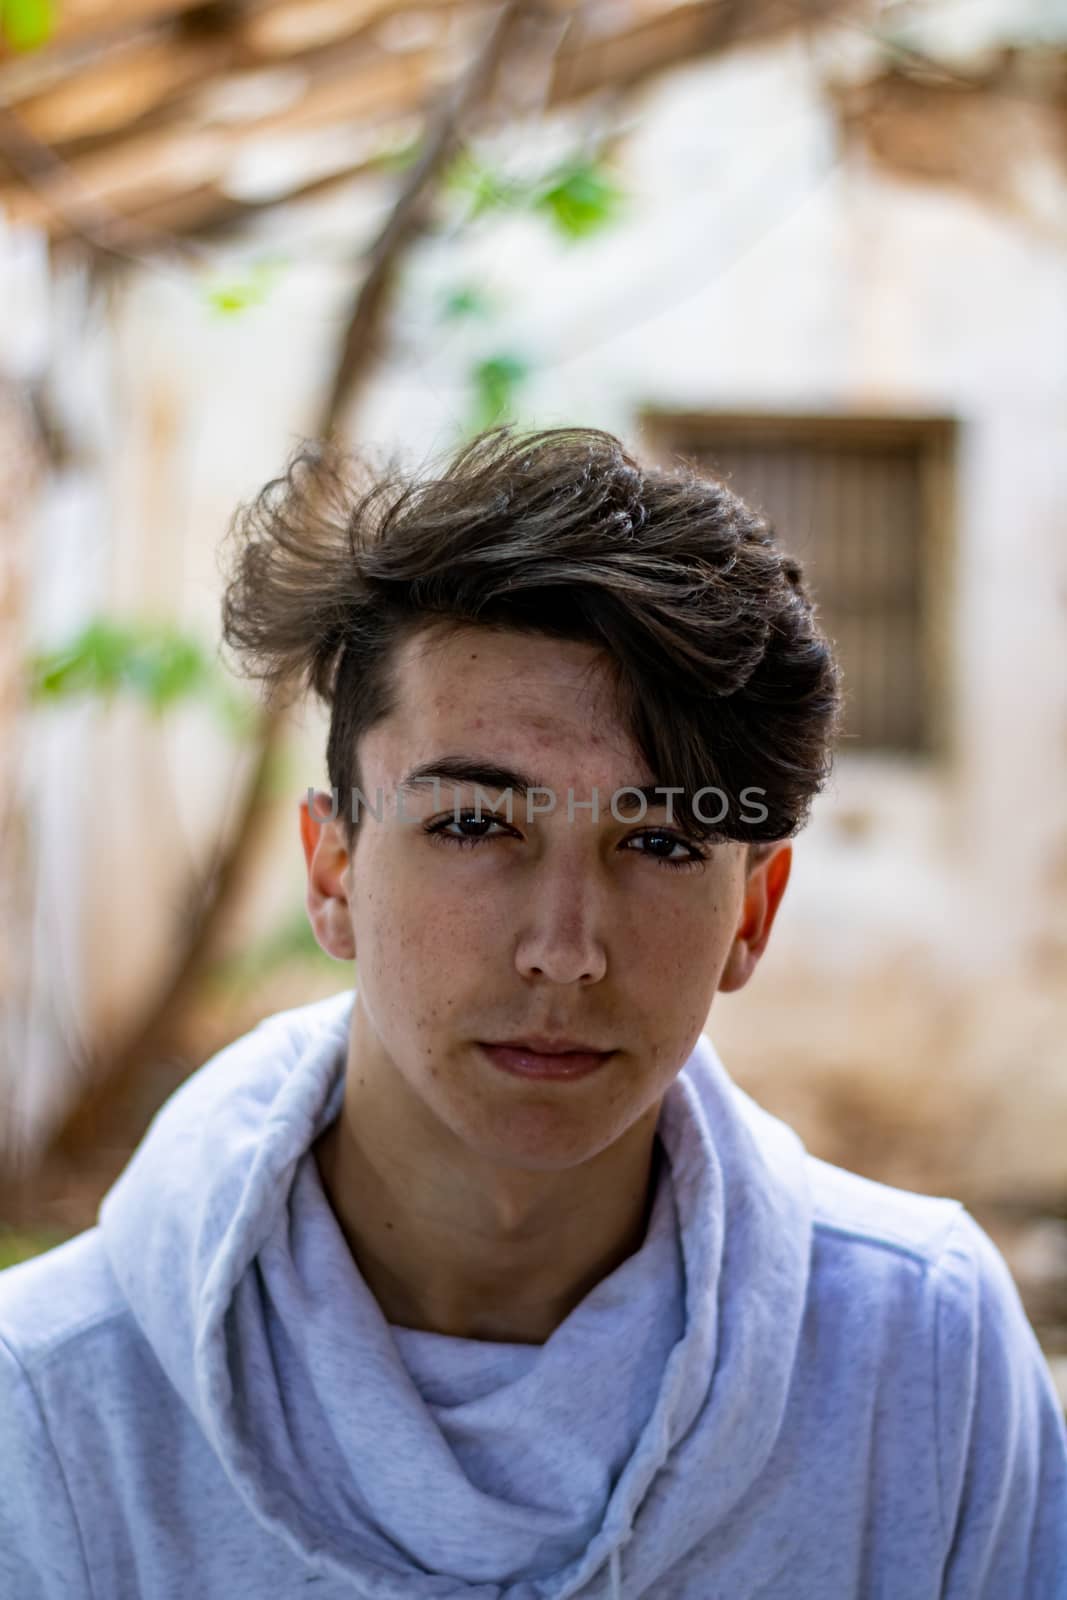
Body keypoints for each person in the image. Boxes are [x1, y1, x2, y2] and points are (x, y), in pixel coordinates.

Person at [1, 425, 1064, 1598]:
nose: (564, 951)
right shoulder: (50, 1400)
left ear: (752, 909)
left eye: (657, 841)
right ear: (333, 869)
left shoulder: (922, 1360)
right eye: (471, 824)